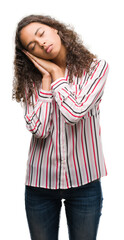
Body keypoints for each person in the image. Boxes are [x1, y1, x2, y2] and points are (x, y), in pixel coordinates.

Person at [12, 14, 109, 240]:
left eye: (41, 33)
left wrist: (57, 74)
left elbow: (74, 113)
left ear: (56, 29)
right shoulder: (31, 81)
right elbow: (39, 130)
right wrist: (46, 83)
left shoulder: (95, 68)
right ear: (29, 55)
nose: (41, 43)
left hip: (85, 182)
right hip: (40, 186)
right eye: (32, 45)